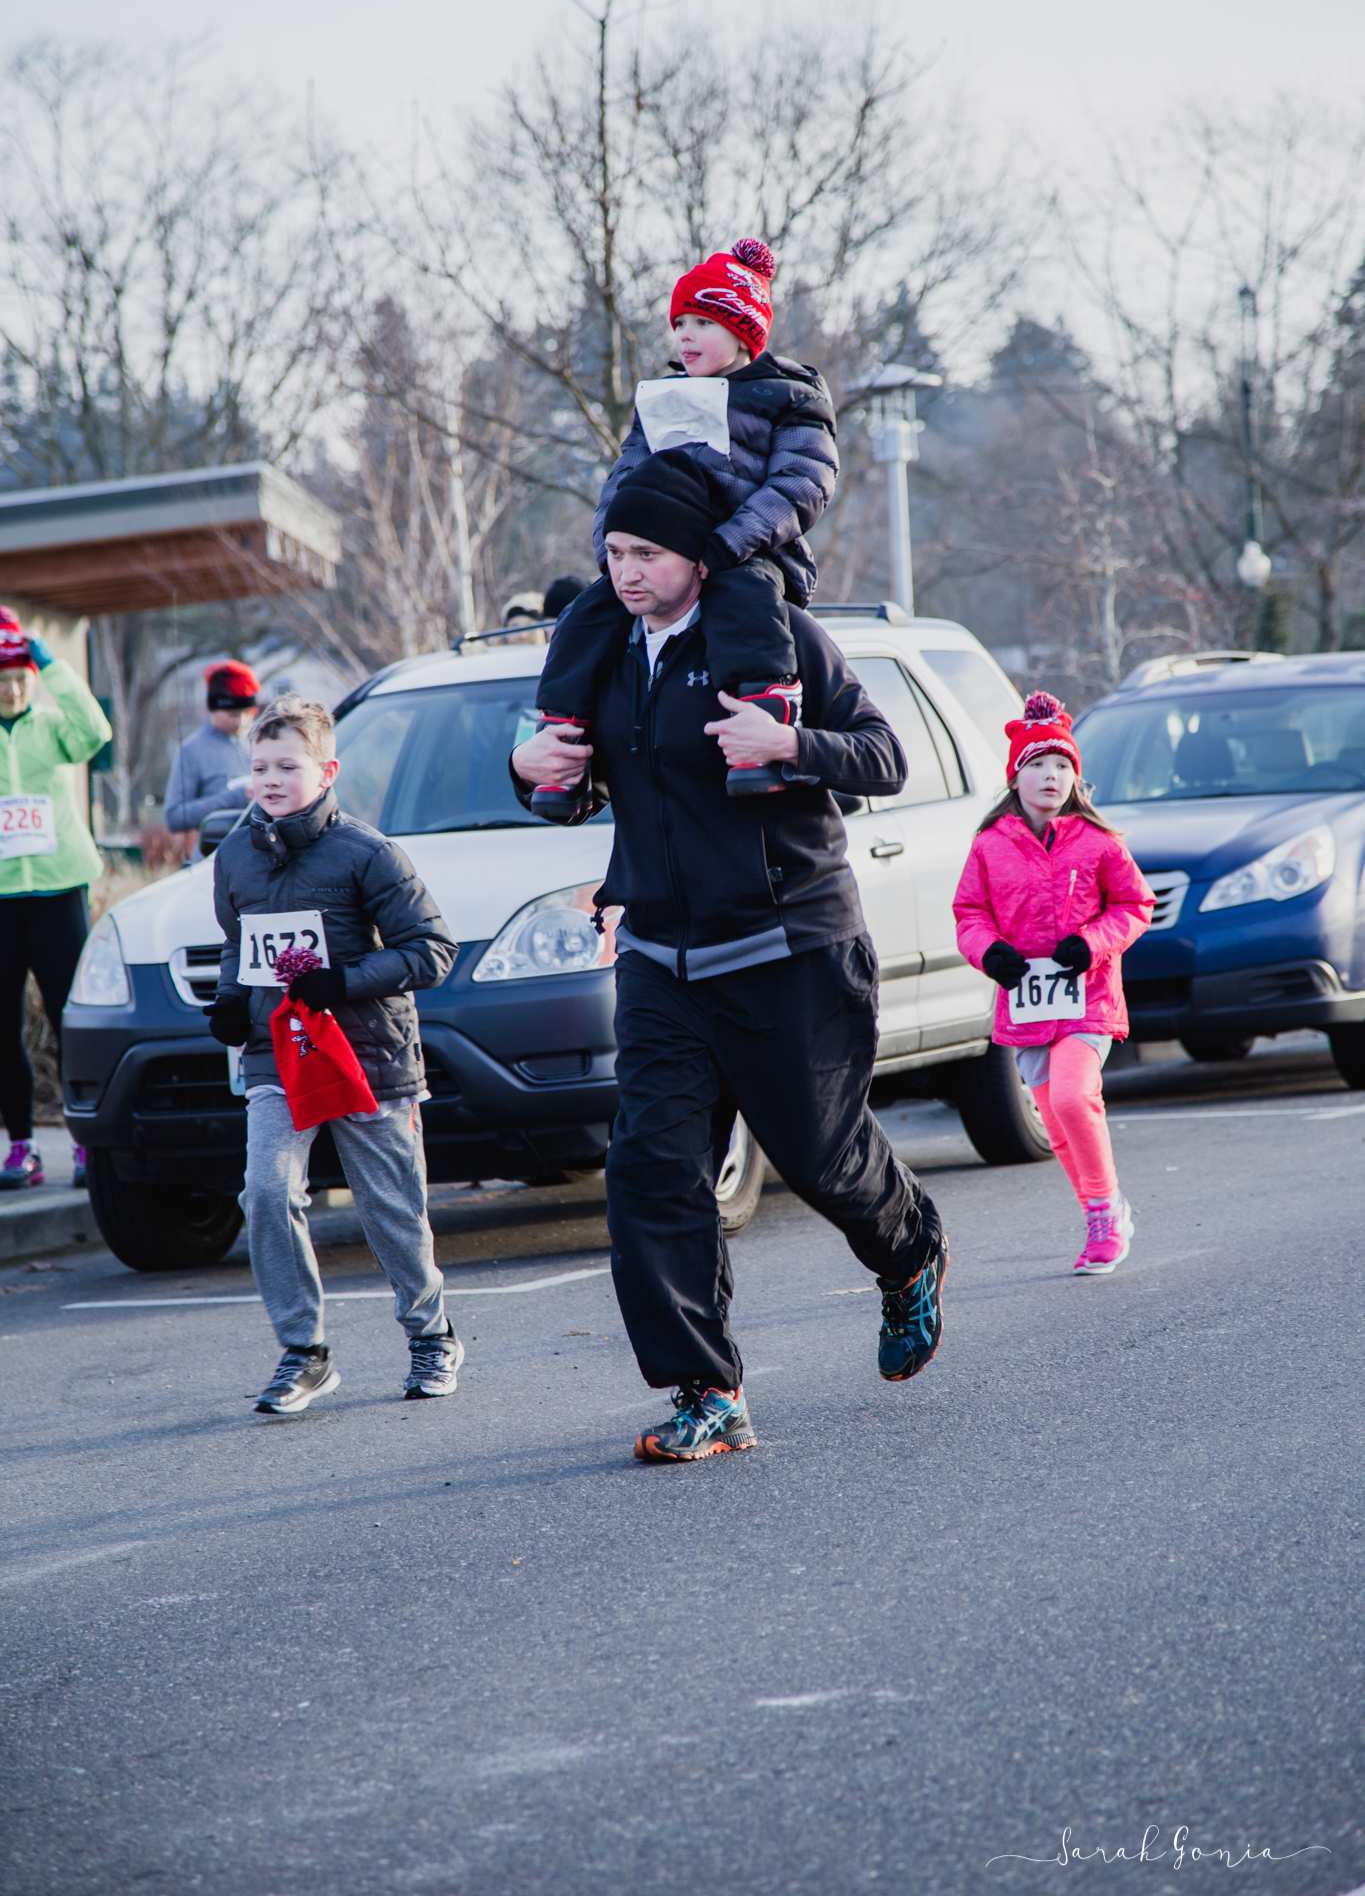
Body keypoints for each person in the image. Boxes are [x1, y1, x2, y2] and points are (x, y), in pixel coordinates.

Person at [511, 454, 948, 1463]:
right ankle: (708, 1389)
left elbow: (885, 753)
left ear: (699, 558)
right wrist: (523, 764)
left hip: (791, 943)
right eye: (615, 551)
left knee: (821, 1157)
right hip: (662, 952)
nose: (627, 571)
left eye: (648, 553)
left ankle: (909, 1245)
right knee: (652, 1172)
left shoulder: (775, 634)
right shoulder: (607, 652)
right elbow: (567, 776)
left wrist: (789, 742)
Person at [205, 695, 462, 1415]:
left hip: (367, 1053)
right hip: (276, 1055)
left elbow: (432, 951)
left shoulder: (368, 851)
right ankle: (304, 1352)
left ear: (327, 771)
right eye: (260, 766)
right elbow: (238, 943)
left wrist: (343, 981)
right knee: (265, 1191)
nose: (272, 779)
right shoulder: (233, 855)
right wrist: (230, 1001)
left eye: (289, 765)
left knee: (389, 1207)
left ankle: (431, 1334)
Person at [531, 237, 838, 813]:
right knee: (586, 613)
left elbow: (802, 483)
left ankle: (764, 714)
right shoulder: (663, 398)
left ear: (744, 331)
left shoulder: (789, 398)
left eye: (702, 322)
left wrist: (728, 543)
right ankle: (562, 737)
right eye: (679, 324)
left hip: (750, 553)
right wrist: (616, 554)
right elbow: (622, 480)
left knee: (744, 602)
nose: (685, 337)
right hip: (664, 555)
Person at [952, 691, 1154, 1275]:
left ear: (1075, 778)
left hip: (1088, 997)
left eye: (1063, 765)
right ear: (1015, 777)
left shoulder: (1098, 843)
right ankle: (1100, 1207)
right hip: (1027, 1006)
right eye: (1038, 764)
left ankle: (1104, 1214)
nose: (1051, 776)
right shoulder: (990, 846)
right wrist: (990, 954)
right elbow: (970, 914)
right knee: (1055, 1119)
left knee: (1072, 1096)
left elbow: (1136, 904)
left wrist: (1089, 945)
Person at [0, 607, 111, 1193]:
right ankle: (21, 1146)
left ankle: (84, 1143)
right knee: (3, 1028)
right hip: (1, 902)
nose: (12, 687)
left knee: (75, 1023)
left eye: (20, 674)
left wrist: (46, 656)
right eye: (1, 676)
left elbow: (95, 731)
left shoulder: (52, 726)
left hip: (58, 890)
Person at [164, 658, 260, 851]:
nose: (240, 721)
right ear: (214, 709)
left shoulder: (263, 741)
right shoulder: (191, 750)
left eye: (247, 712)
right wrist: (234, 798)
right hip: (214, 857)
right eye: (233, 714)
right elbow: (174, 817)